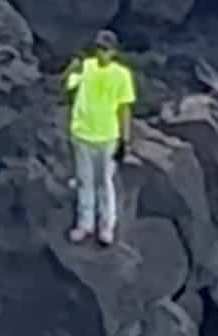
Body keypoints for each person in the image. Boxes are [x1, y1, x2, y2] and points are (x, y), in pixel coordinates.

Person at [63, 29, 136, 245]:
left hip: (107, 136)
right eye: (98, 48)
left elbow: (124, 109)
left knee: (105, 182)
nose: (101, 52)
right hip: (83, 133)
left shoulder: (122, 75)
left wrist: (125, 139)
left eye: (105, 49)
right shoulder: (86, 67)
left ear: (113, 52)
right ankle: (85, 224)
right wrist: (70, 70)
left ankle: (106, 226)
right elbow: (67, 86)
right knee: (85, 181)